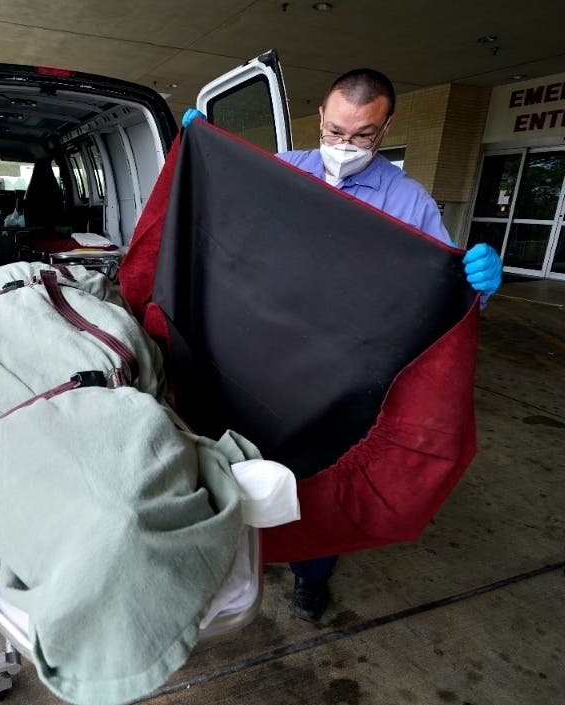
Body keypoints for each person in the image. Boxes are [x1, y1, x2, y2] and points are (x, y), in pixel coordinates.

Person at [183, 68, 502, 623]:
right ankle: (230, 559)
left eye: (362, 136)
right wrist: (207, 161)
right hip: (261, 356)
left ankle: (311, 573)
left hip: (343, 373)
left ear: (386, 128)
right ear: (321, 120)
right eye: (334, 132)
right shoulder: (284, 172)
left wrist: (476, 288)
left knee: (319, 479)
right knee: (238, 459)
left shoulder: (409, 202)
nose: (344, 147)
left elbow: (437, 296)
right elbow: (226, 234)